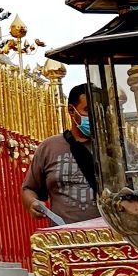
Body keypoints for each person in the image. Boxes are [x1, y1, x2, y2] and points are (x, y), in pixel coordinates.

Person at [22, 83, 99, 226]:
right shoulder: (49, 148)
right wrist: (32, 203)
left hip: (114, 238)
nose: (94, 116)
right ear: (71, 110)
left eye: (99, 110)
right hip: (66, 240)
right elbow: (29, 189)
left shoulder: (118, 148)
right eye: (88, 110)